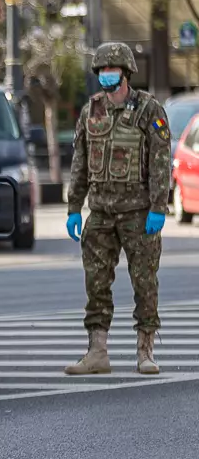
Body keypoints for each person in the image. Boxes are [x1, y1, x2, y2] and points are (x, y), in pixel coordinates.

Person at [64, 42, 170, 376]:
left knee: (144, 282)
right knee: (96, 282)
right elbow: (80, 162)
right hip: (100, 212)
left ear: (126, 73)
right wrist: (73, 206)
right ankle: (97, 352)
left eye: (112, 70)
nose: (106, 75)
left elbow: (160, 161)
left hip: (138, 212)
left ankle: (145, 351)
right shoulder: (91, 111)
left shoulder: (148, 109)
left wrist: (159, 206)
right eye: (102, 70)